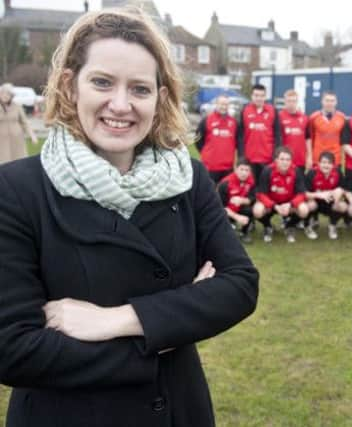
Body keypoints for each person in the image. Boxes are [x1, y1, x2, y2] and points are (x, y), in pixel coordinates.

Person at [0, 10, 258, 427]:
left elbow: (240, 286)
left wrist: (116, 320)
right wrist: (166, 333)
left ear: (160, 97)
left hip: (176, 409)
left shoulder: (187, 179)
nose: (121, 105)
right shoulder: (18, 190)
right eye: (102, 82)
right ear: (70, 84)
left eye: (139, 88)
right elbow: (13, 347)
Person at [253, 146, 309, 243]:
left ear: (291, 161)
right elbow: (261, 194)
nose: (285, 162)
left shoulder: (296, 171)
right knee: (257, 210)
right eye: (282, 159)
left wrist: (290, 204)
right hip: (272, 203)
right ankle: (268, 227)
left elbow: (301, 194)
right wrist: (274, 206)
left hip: (288, 204)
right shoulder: (267, 171)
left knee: (304, 209)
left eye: (288, 159)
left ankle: (289, 226)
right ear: (276, 160)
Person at [238, 83, 280, 180]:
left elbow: (277, 135)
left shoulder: (272, 111)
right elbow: (240, 136)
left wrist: (276, 155)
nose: (259, 98)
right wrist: (241, 156)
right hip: (249, 159)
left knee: (264, 188)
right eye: (256, 95)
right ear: (252, 96)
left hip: (267, 159)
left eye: (261, 96)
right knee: (250, 189)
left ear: (265, 97)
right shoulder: (245, 110)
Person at [195, 94, 239, 184]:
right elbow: (198, 139)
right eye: (221, 104)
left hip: (227, 168)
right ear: (216, 104)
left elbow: (238, 142)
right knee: (209, 195)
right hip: (210, 167)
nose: (224, 107)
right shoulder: (207, 120)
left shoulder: (234, 122)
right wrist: (206, 153)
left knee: (224, 195)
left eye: (226, 105)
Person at [304, 150, 347, 240]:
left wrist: (340, 191)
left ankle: (332, 226)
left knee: (342, 206)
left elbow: (344, 188)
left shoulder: (338, 172)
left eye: (329, 163)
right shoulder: (312, 173)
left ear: (333, 165)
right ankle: (308, 226)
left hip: (331, 202)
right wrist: (319, 195)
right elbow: (305, 194)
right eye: (323, 162)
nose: (326, 165)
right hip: (316, 202)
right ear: (318, 163)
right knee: (309, 205)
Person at [217, 157, 255, 243]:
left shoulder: (251, 181)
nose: (244, 173)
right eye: (241, 169)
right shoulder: (225, 184)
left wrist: (242, 200)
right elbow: (220, 207)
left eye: (247, 170)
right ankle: (229, 227)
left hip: (239, 208)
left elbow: (252, 198)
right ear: (236, 169)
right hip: (226, 211)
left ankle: (244, 232)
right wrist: (237, 217)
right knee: (226, 236)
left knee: (250, 210)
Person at [0, 83, 37, 164]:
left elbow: (25, 122)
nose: (5, 95)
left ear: (12, 96)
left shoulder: (17, 106)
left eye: (8, 94)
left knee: (17, 162)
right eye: (3, 93)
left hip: (17, 139)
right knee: (3, 163)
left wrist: (32, 135)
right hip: (1, 140)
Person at [308, 91, 346, 168]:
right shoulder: (313, 117)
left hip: (335, 158)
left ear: (336, 102)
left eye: (332, 101)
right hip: (318, 158)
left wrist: (342, 157)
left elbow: (343, 140)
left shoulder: (342, 117)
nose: (330, 103)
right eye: (327, 100)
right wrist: (309, 156)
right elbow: (310, 138)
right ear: (322, 101)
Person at [279, 89, 310, 173]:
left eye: (294, 101)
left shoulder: (304, 118)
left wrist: (309, 156)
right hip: (284, 161)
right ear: (285, 101)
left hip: (300, 160)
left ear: (297, 102)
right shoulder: (279, 117)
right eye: (289, 101)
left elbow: (307, 138)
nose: (291, 103)